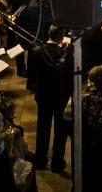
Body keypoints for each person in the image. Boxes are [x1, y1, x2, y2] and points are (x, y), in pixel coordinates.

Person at [26, 26, 71, 172]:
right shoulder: (65, 53)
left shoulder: (35, 51)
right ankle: (57, 163)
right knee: (60, 131)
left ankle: (40, 160)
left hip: (43, 95)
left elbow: (31, 76)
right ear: (62, 36)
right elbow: (68, 76)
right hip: (60, 97)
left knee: (42, 128)